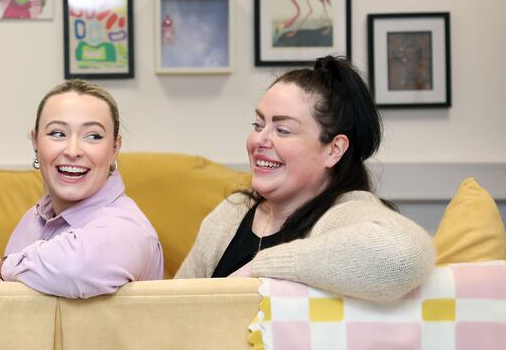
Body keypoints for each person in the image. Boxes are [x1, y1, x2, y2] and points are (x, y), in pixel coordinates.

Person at [175, 55, 435, 301]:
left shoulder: (344, 213)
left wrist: (260, 268)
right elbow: (171, 306)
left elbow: (406, 255)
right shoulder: (230, 214)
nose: (259, 140)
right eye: (258, 125)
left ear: (333, 150)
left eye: (283, 130)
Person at [0, 79, 164, 298]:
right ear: (35, 142)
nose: (73, 150)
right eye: (58, 133)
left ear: (115, 148)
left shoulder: (128, 229)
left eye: (93, 136)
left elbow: (77, 268)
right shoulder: (30, 220)